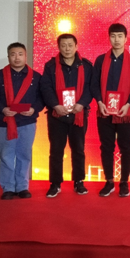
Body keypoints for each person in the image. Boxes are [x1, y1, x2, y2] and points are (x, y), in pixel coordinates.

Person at [0, 43, 44, 200]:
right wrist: (2, 109)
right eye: (13, 54)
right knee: (6, 155)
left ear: (25, 56)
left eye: (20, 54)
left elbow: (42, 97)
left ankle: (22, 186)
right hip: (5, 122)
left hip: (27, 121)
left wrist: (34, 109)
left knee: (24, 154)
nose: (17, 58)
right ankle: (8, 188)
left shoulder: (36, 77)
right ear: (8, 56)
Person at [40, 34, 93, 198]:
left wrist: (82, 103)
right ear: (59, 47)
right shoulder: (50, 66)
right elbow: (46, 88)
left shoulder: (86, 66)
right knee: (56, 150)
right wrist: (55, 105)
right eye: (63, 45)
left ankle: (79, 181)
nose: (67, 49)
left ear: (76, 46)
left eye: (70, 45)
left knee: (78, 149)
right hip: (57, 115)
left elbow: (90, 87)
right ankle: (55, 183)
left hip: (79, 114)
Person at [91, 23, 130, 198]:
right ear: (109, 38)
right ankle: (109, 181)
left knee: (126, 147)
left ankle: (124, 182)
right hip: (104, 111)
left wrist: (129, 104)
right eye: (113, 36)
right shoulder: (100, 60)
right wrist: (99, 102)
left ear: (126, 39)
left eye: (120, 36)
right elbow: (94, 84)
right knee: (107, 147)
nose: (116, 39)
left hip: (125, 112)